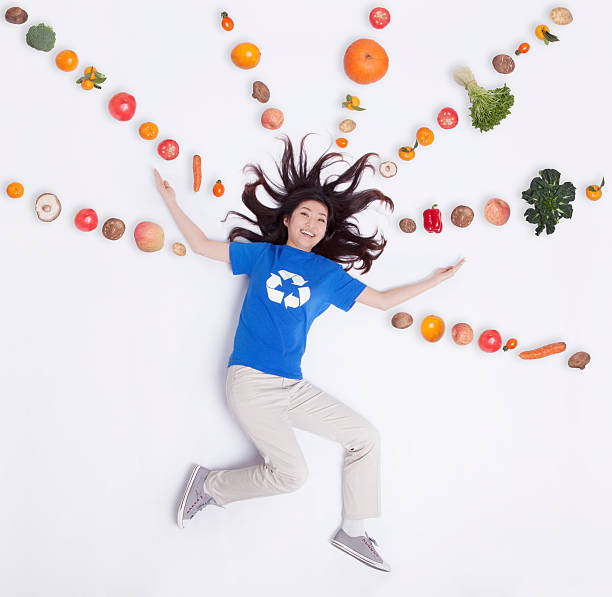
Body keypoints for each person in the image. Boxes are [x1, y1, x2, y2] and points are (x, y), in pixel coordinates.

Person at [153, 135, 465, 572]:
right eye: (305, 213)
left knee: (365, 436)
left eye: (320, 219)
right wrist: (171, 201)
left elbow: (382, 301)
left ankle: (353, 531)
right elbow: (204, 246)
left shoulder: (327, 273)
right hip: (251, 382)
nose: (313, 222)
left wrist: (435, 281)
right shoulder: (265, 255)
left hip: (291, 386)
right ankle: (211, 484)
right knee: (292, 476)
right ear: (287, 219)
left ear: (325, 231)